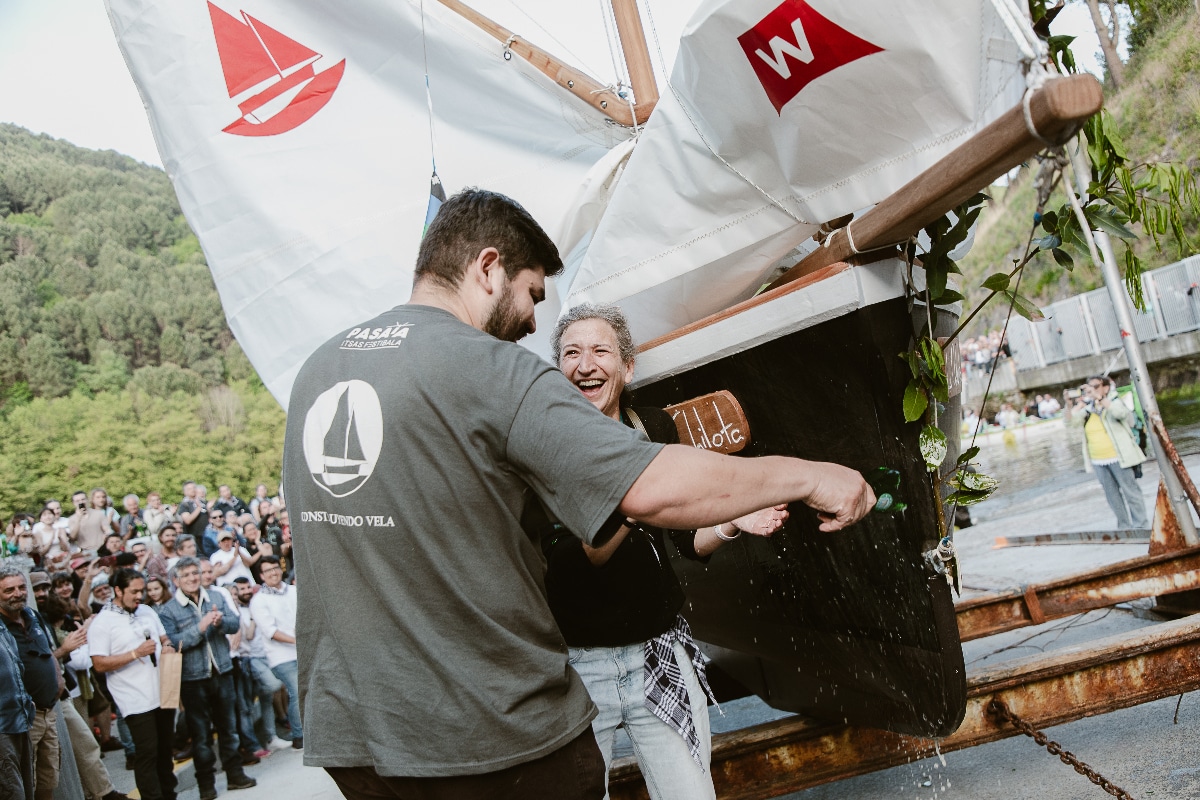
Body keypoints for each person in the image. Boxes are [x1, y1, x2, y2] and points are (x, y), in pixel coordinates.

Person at [282, 189, 873, 797]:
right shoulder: (488, 368)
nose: (534, 322)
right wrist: (813, 475)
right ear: (488, 268)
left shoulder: (321, 370)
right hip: (488, 737)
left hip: (358, 739)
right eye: (532, 294)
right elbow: (653, 490)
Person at [546, 304, 787, 799]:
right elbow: (580, 556)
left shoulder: (653, 427)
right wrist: (643, 501)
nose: (585, 364)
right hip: (577, 668)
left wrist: (728, 523)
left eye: (599, 351)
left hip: (658, 653)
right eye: (571, 353)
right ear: (559, 371)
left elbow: (684, 541)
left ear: (627, 367)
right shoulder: (545, 449)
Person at [157, 557, 256, 800]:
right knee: (200, 736)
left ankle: (235, 775)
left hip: (222, 670)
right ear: (176, 580)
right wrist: (200, 628)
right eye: (187, 575)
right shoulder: (168, 610)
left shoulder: (216, 597)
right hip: (193, 679)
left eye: (195, 573)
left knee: (228, 729)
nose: (192, 578)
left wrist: (221, 622)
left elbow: (235, 626)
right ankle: (206, 786)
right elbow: (175, 643)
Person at [88, 569, 177, 800]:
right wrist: (135, 653)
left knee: (166, 751)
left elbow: (163, 636)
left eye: (142, 590)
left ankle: (170, 795)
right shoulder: (103, 622)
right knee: (148, 753)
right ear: (117, 591)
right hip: (135, 700)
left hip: (162, 690)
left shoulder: (146, 611)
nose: (140, 596)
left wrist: (167, 646)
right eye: (134, 592)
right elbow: (98, 663)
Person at [0, 567, 62, 800]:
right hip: (24, 717)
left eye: (21, 587)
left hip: (49, 712)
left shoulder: (32, 615)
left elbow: (48, 649)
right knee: (26, 783)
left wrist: (57, 676)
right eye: (9, 590)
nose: (17, 593)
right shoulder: (1, 626)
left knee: (48, 777)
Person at [1077, 376, 1149, 530]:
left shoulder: (1114, 401)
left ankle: (1141, 525)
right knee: (1112, 496)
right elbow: (1070, 423)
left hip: (1119, 456)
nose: (1092, 390)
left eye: (1096, 386)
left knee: (1131, 492)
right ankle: (1124, 526)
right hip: (1098, 460)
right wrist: (1070, 405)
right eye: (1089, 387)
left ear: (1106, 388)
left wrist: (1101, 398)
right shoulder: (1088, 409)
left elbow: (1120, 414)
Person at [230, 577, 287, 752]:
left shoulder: (254, 606)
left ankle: (271, 738)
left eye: (248, 587)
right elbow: (247, 636)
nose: (246, 591)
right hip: (249, 660)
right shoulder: (237, 612)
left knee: (266, 697)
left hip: (265, 655)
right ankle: (252, 746)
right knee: (271, 686)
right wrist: (254, 618)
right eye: (241, 589)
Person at [247, 557, 299, 749]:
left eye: (275, 568)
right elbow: (271, 632)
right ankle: (299, 736)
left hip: (304, 650)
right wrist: (297, 641)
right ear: (261, 576)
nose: (273, 572)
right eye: (267, 570)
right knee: (297, 691)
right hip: (281, 657)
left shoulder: (294, 591)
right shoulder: (258, 601)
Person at [0, 611, 35, 800]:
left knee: (27, 790)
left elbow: (16, 665)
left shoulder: (2, 627)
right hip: (2, 728)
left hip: (20, 719)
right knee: (13, 792)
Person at [69, 489, 120, 555]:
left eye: (83, 499)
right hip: (85, 551)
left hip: (101, 550)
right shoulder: (72, 519)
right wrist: (79, 518)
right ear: (74, 503)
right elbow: (73, 537)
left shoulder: (98, 514)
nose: (81, 502)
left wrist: (108, 535)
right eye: (77, 501)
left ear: (87, 500)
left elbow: (107, 529)